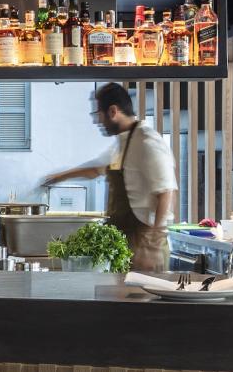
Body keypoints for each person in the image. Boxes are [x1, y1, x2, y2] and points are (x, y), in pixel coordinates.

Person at [35, 82, 177, 275]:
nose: (97, 121)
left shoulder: (147, 141)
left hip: (145, 241)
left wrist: (151, 246)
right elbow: (96, 169)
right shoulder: (122, 143)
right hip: (125, 241)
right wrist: (60, 177)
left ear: (113, 111)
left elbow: (167, 192)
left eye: (98, 114)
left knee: (145, 303)